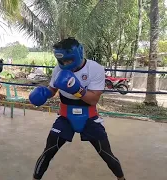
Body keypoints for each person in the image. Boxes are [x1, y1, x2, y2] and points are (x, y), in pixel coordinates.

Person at [29, 37, 125, 180]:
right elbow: (52, 90)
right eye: (62, 61)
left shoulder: (95, 69)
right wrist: (44, 93)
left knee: (106, 154)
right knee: (48, 151)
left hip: (89, 117)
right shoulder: (58, 69)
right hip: (65, 116)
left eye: (68, 60)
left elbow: (93, 99)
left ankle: (121, 178)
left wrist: (77, 89)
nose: (65, 64)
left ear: (79, 53)